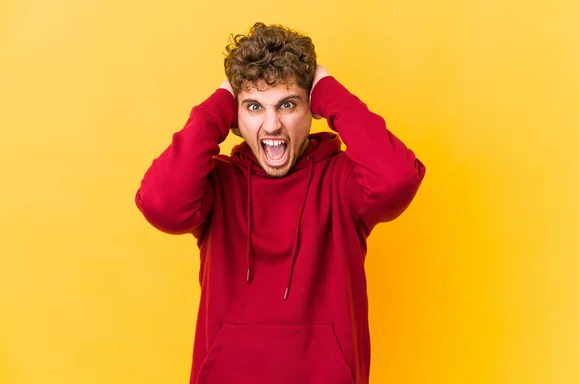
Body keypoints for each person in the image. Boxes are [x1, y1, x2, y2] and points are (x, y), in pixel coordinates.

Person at [135, 22, 426, 384]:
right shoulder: (217, 185)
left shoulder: (342, 183)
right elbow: (162, 205)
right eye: (254, 107)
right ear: (236, 120)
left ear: (313, 110)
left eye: (288, 104)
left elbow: (396, 179)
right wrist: (215, 109)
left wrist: (329, 90)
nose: (272, 124)